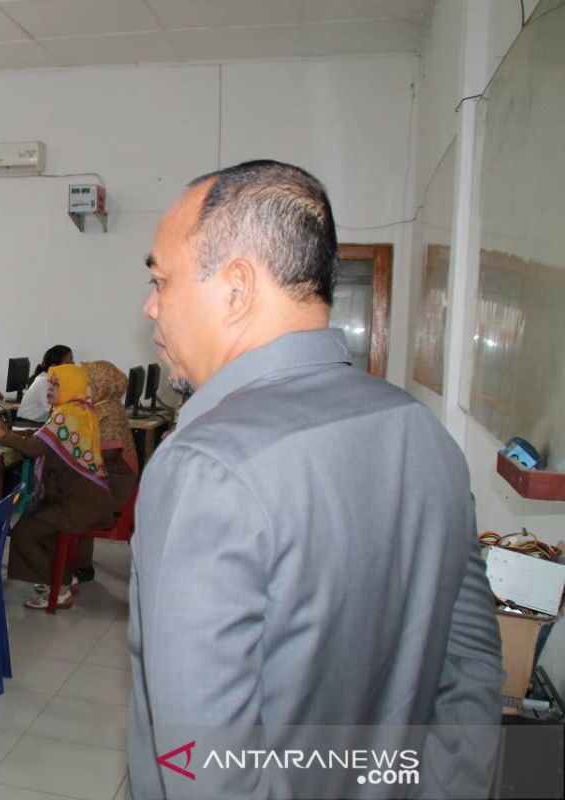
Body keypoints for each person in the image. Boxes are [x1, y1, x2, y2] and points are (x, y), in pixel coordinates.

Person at [127, 160, 503, 799]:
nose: (151, 304)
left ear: (238, 288)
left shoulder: (205, 467)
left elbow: (201, 765)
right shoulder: (423, 434)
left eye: (163, 279)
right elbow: (471, 676)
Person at [0, 364, 111, 610]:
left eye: (57, 385)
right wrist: (16, 434)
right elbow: (46, 439)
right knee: (36, 520)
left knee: (25, 532)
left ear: (71, 387)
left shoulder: (67, 415)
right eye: (50, 383)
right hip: (84, 497)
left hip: (77, 502)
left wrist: (3, 437)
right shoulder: (79, 410)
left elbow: (34, 448)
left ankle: (61, 588)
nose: (50, 389)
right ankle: (64, 578)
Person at [68, 360, 138, 584]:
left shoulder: (101, 411)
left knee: (67, 500)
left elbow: (90, 453)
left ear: (98, 384)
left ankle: (75, 566)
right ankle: (79, 563)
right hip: (119, 484)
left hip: (114, 490)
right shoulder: (111, 404)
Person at [15, 345, 73, 425]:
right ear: (54, 366)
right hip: (27, 425)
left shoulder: (53, 380)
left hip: (37, 423)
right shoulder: (44, 382)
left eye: (72, 361)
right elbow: (55, 411)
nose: (72, 365)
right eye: (67, 363)